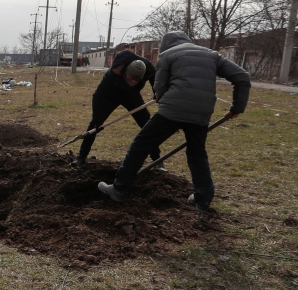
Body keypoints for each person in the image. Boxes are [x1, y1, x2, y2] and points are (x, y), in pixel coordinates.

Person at [98, 32, 250, 212]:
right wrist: (237, 107)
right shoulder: (212, 55)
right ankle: (202, 199)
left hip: (173, 109)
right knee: (197, 154)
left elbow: (160, 88)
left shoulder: (167, 55)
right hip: (202, 112)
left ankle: (119, 189)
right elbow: (242, 77)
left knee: (141, 145)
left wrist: (170, 116)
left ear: (165, 45)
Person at [72, 52, 164, 170]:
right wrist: (98, 116)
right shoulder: (116, 69)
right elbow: (99, 96)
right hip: (108, 95)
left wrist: (158, 94)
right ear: (125, 72)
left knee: (147, 124)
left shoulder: (149, 69)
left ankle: (157, 161)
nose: (133, 82)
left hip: (132, 96)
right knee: (95, 124)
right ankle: (81, 157)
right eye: (130, 79)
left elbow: (157, 84)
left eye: (137, 80)